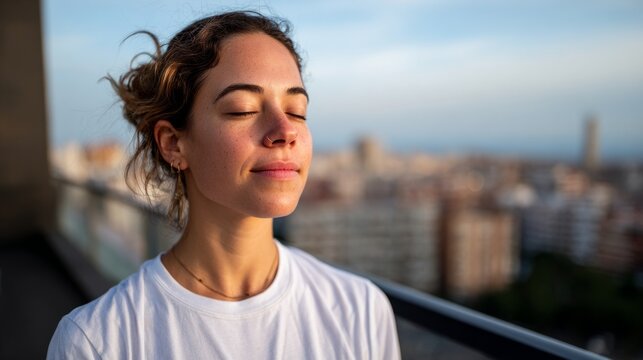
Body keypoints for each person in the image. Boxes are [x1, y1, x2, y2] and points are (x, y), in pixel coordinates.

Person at [47, 11, 400, 359]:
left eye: (296, 110)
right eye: (242, 109)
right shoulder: (96, 341)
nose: (286, 131)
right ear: (173, 143)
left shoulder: (362, 311)